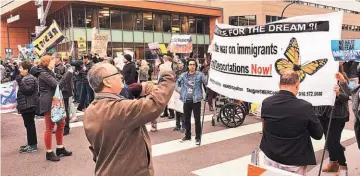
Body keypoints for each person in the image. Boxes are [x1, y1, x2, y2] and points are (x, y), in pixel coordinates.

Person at [83, 62, 174, 176]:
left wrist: (139, 89)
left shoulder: (90, 110)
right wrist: (166, 74)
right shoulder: (120, 109)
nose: (121, 76)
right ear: (107, 82)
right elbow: (155, 104)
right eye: (117, 73)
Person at [260, 71, 323, 175]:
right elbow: (318, 134)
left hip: (270, 156)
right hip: (294, 162)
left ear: (279, 84)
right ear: (297, 84)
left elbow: (263, 128)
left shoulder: (266, 102)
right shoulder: (305, 107)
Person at [37, 55, 73, 162]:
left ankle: (60, 148)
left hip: (55, 101)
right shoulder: (44, 74)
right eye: (52, 60)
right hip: (49, 103)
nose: (54, 61)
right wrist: (69, 74)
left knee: (61, 124)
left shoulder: (49, 72)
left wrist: (66, 75)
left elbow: (59, 81)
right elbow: (58, 85)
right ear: (47, 62)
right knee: (49, 127)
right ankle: (49, 152)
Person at [320, 64, 350, 176]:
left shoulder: (342, 77)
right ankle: (333, 163)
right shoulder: (322, 77)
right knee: (328, 140)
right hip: (323, 114)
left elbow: (348, 95)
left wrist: (338, 94)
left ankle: (343, 167)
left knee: (334, 141)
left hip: (337, 116)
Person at [176, 58, 207, 145]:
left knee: (197, 120)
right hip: (186, 100)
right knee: (186, 119)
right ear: (188, 66)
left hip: (196, 100)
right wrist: (179, 90)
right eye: (190, 64)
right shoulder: (183, 75)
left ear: (195, 66)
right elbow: (177, 83)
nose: (192, 66)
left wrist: (209, 76)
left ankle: (198, 137)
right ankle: (188, 135)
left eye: (193, 64)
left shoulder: (200, 75)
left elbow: (206, 82)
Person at [16, 61, 39, 153]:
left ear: (26, 70)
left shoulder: (28, 78)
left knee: (29, 125)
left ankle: (32, 145)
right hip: (27, 104)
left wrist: (20, 82)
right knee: (28, 125)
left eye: (21, 68)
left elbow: (28, 90)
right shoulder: (26, 78)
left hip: (28, 105)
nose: (19, 69)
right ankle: (31, 143)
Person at [173, 58, 187, 132]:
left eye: (180, 62)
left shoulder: (185, 72)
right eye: (178, 62)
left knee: (182, 110)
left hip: (182, 92)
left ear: (183, 64)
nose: (178, 64)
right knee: (176, 109)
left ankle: (184, 126)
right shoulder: (177, 72)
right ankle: (177, 125)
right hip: (176, 92)